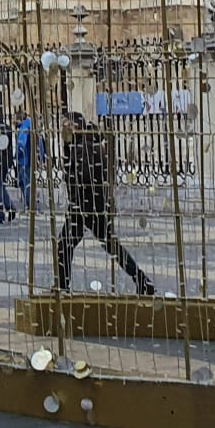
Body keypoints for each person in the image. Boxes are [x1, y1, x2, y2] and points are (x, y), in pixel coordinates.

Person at [57, 110, 154, 295]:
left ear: (75, 127)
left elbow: (84, 176)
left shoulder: (83, 146)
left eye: (65, 125)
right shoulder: (82, 144)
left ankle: (62, 287)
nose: (62, 129)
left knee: (64, 244)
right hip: (93, 205)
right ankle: (142, 281)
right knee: (110, 245)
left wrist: (73, 185)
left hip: (86, 205)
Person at [15, 113, 40, 215]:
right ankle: (30, 205)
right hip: (27, 160)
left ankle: (31, 207)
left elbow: (21, 143)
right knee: (24, 183)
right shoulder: (29, 127)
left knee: (26, 184)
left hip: (24, 160)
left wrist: (17, 154)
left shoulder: (25, 127)